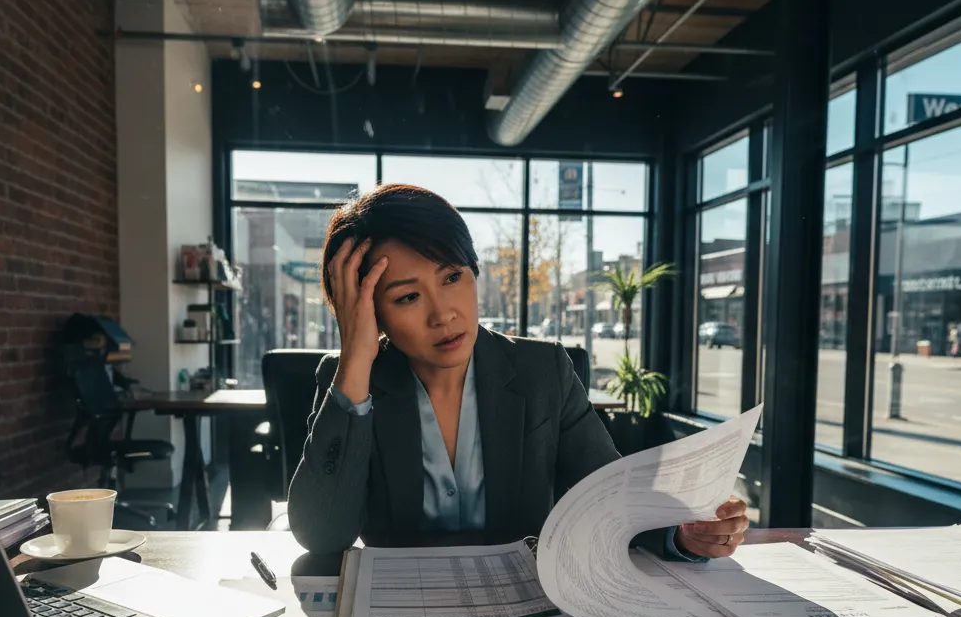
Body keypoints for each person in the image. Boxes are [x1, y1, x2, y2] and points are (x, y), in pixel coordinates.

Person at [287, 184, 749, 559]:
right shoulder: (350, 381)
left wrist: (684, 533)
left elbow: (611, 495)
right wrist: (355, 361)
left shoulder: (542, 371)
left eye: (452, 277)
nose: (443, 314)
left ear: (474, 271)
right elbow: (323, 537)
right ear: (369, 311)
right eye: (407, 297)